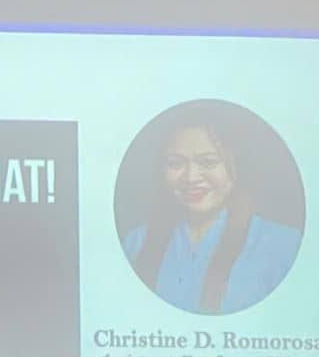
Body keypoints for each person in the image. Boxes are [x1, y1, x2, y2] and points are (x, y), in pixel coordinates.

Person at [122, 101, 303, 316]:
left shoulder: (283, 246)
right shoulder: (136, 243)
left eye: (208, 162)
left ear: (236, 165)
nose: (191, 177)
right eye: (176, 163)